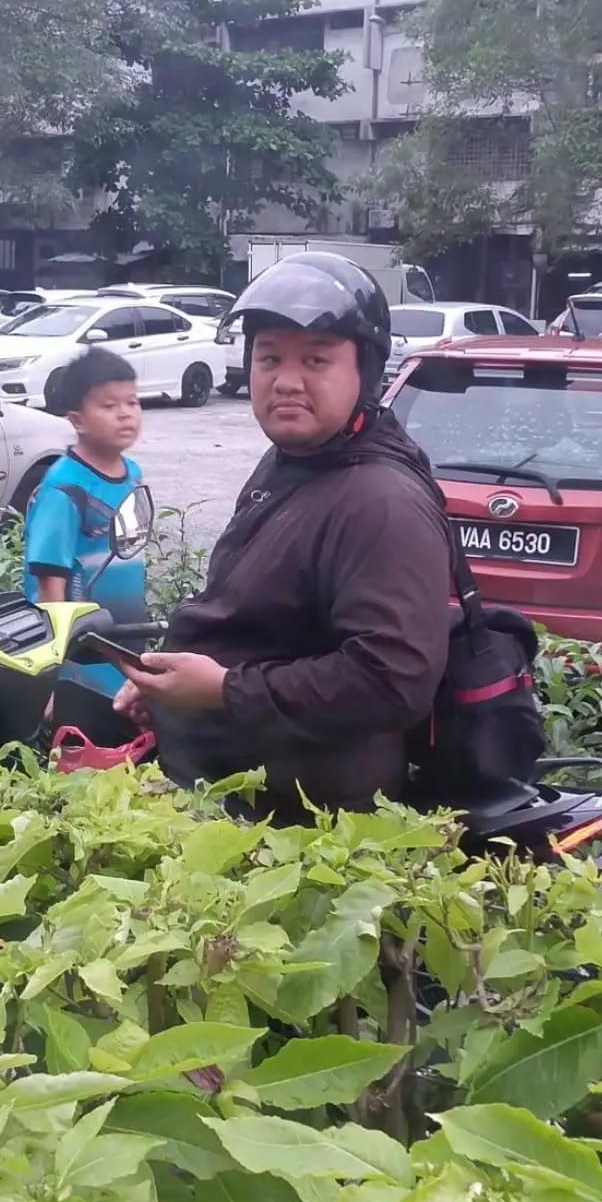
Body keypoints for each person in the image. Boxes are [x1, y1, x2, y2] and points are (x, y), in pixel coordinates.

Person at [112, 251, 451, 818]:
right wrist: (171, 684)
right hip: (225, 792)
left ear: (364, 373)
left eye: (315, 360)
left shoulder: (381, 503)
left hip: (305, 828)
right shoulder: (293, 461)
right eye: (269, 358)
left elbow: (393, 681)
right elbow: (256, 619)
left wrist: (222, 690)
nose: (286, 381)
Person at [23, 349, 147, 708]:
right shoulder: (64, 487)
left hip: (121, 636)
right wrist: (47, 677)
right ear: (77, 420)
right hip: (78, 650)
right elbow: (49, 586)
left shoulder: (132, 473)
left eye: (132, 402)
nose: (125, 413)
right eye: (109, 406)